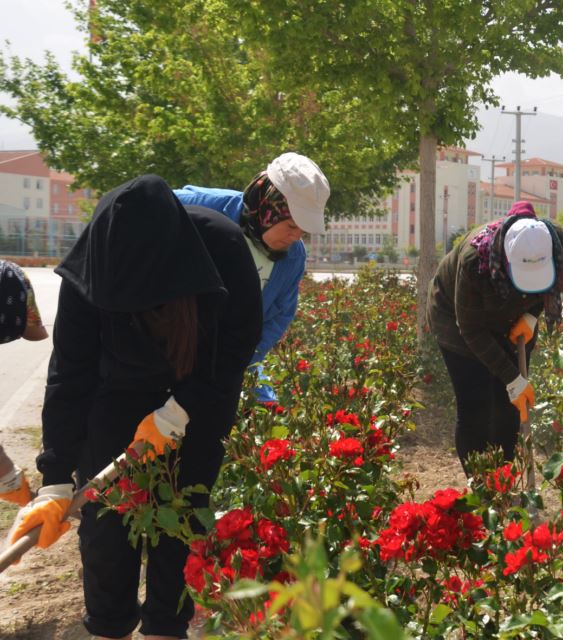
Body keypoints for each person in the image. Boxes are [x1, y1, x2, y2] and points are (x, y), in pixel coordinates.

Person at [8, 175, 261, 639]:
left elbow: (235, 348)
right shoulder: (93, 262)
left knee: (179, 530)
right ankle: (110, 628)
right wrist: (57, 478)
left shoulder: (221, 249)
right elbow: (70, 372)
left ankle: (167, 628)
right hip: (115, 398)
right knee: (105, 536)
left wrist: (180, 410)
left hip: (197, 401)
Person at [427, 201, 563, 474]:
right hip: (458, 321)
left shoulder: (558, 242)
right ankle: (479, 485)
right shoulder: (474, 261)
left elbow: (556, 280)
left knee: (509, 409)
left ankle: (504, 482)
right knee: (475, 408)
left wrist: (531, 316)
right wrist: (513, 378)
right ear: (506, 260)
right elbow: (470, 330)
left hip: (514, 318)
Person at [173, 152, 329, 401]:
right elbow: (138, 209)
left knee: (264, 411)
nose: (296, 237)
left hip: (232, 361)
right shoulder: (199, 206)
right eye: (291, 225)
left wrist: (238, 361)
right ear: (269, 208)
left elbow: (279, 316)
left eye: (304, 230)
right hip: (171, 353)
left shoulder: (294, 257)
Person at [0, 259, 50, 506]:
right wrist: (9, 480)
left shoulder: (9, 278)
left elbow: (36, 333)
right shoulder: (8, 278)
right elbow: (35, 332)